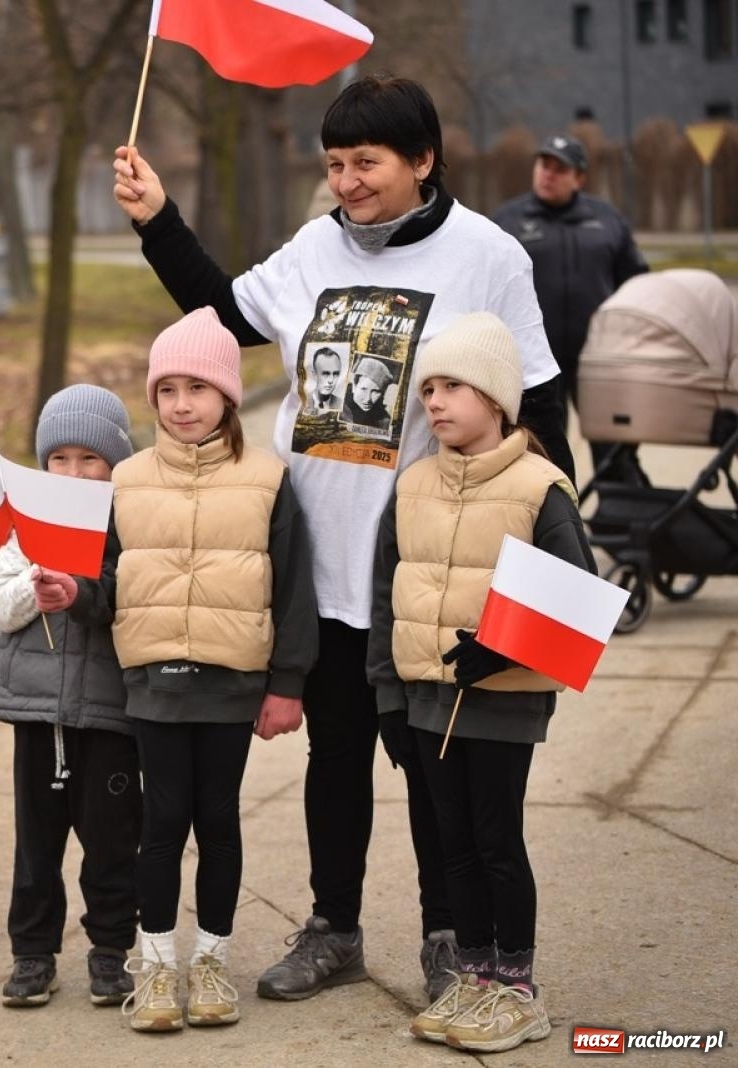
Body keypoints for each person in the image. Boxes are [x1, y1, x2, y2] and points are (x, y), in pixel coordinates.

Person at [112, 74, 574, 1004]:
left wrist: (533, 562)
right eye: (334, 165)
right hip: (318, 565)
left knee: (435, 770)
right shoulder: (314, 247)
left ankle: (451, 934)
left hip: (423, 573)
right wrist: (157, 219)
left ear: (423, 160)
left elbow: (540, 407)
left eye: (367, 163)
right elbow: (221, 313)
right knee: (336, 761)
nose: (348, 183)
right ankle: (335, 928)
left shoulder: (487, 255)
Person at [35, 308, 318, 1033]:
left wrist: (288, 683)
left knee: (218, 822)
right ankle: (157, 966)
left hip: (232, 685)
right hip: (154, 685)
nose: (182, 404)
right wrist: (75, 595)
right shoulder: (127, 481)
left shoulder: (268, 480)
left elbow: (293, 590)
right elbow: (109, 582)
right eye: (167, 390)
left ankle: (211, 960)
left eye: (198, 388)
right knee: (160, 826)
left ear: (228, 395)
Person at [368, 312, 592, 1053]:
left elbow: (578, 596)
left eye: (452, 387)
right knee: (452, 843)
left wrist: (500, 647)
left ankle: (517, 989)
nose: (434, 401)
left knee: (496, 840)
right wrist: (388, 697)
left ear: (495, 398)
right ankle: (473, 974)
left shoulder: (540, 487)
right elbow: (385, 595)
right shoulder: (412, 485)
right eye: (427, 389)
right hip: (426, 700)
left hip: (501, 701)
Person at [0, 384, 142, 1010]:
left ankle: (110, 949)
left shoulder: (130, 524)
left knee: (112, 839)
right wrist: (35, 581)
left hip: (109, 710)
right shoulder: (24, 528)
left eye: (90, 459)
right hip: (37, 709)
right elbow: (1, 608)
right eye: (60, 459)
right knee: (36, 842)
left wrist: (84, 588)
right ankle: (32, 953)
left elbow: (135, 598)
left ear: (115, 463)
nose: (74, 472)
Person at [492, 134, 649, 484]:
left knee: (615, 450)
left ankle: (617, 511)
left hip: (598, 359)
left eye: (559, 169)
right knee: (541, 452)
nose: (548, 174)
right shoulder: (507, 222)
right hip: (533, 362)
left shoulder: (607, 221)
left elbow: (636, 283)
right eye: (544, 164)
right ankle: (550, 513)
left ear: (579, 178)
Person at [343, 356, 396, 432]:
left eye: (376, 392)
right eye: (363, 389)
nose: (368, 399)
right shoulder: (340, 408)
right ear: (354, 387)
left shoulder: (383, 421)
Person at [303, 346, 344, 414]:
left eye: (335, 374)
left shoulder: (342, 405)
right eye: (326, 374)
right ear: (314, 375)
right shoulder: (302, 401)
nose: (331, 380)